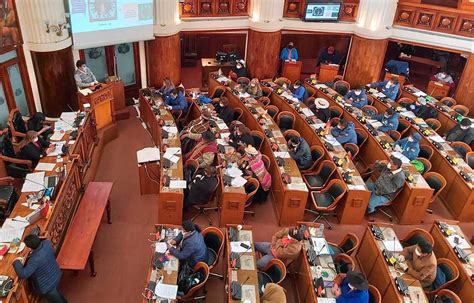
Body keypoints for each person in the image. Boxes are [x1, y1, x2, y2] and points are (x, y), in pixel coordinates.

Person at [12, 234, 67, 303]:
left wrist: (16, 261)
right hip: (55, 274)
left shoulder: (34, 260)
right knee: (58, 295)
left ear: (30, 247)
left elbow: (23, 274)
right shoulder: (47, 243)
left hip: (47, 286)